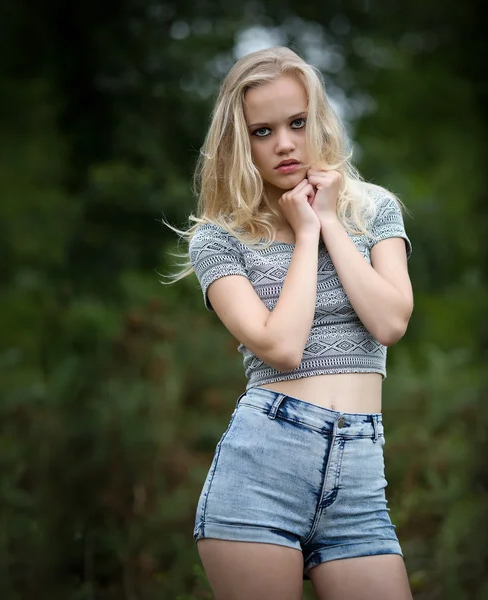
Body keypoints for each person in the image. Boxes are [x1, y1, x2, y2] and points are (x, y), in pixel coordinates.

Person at [170, 46, 414, 600]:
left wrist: (327, 219)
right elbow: (280, 346)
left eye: (297, 123)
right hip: (262, 474)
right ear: (240, 141)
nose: (284, 143)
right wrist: (304, 234)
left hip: (359, 483)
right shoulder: (219, 237)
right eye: (262, 131)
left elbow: (391, 321)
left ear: (318, 120)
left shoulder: (372, 209)